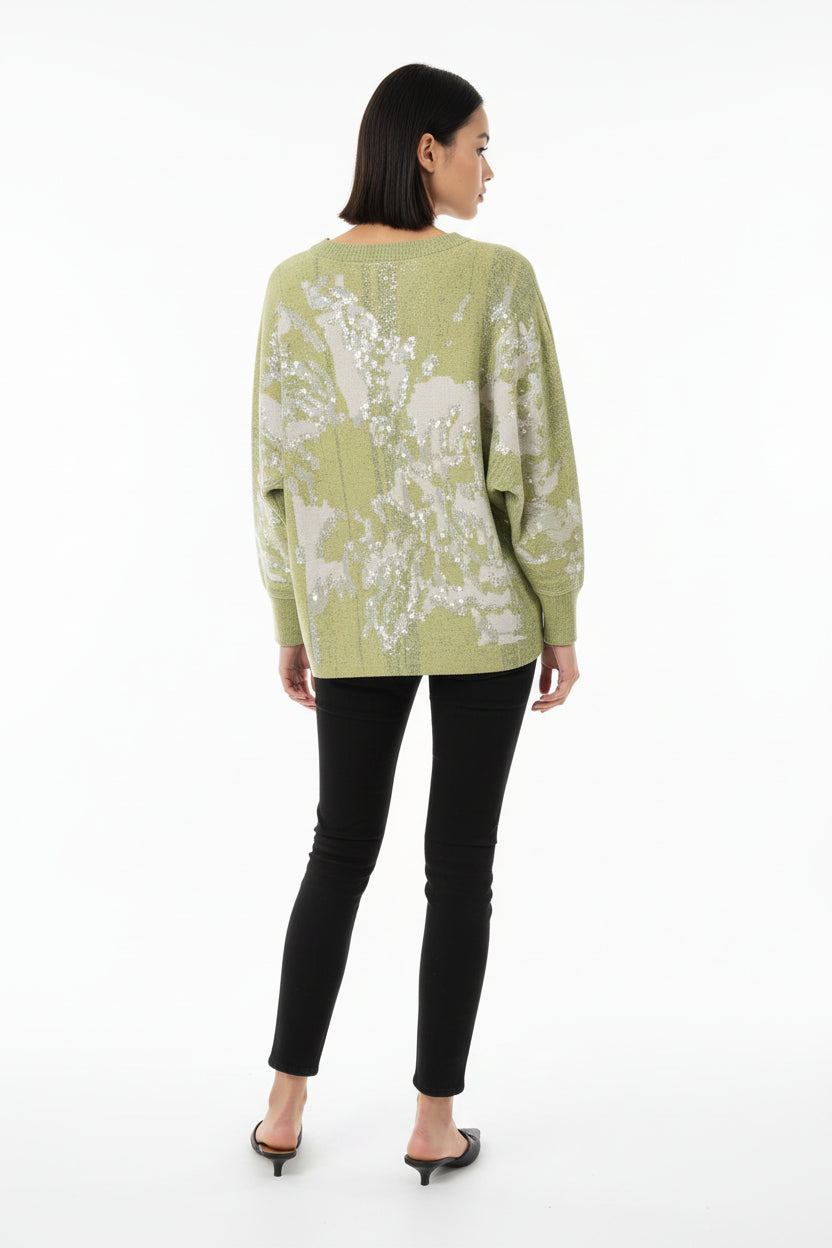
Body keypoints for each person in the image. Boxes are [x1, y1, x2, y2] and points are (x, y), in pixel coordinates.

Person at [248, 63, 584, 1183]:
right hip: (483, 615)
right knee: (460, 865)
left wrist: (293, 612)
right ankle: (433, 1125)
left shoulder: (295, 286)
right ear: (427, 149)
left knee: (339, 849)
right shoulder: (496, 279)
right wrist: (559, 611)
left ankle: (283, 1107)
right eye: (480, 145)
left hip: (352, 608)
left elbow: (277, 472)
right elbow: (532, 460)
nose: (490, 169)